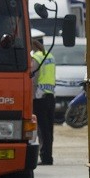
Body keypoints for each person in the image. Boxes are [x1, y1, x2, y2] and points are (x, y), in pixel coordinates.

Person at [30, 32, 56, 165]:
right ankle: (48, 157)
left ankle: (45, 157)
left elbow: (33, 79)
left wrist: (30, 96)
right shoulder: (50, 56)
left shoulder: (36, 57)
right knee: (49, 129)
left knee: (42, 129)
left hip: (39, 97)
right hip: (50, 95)